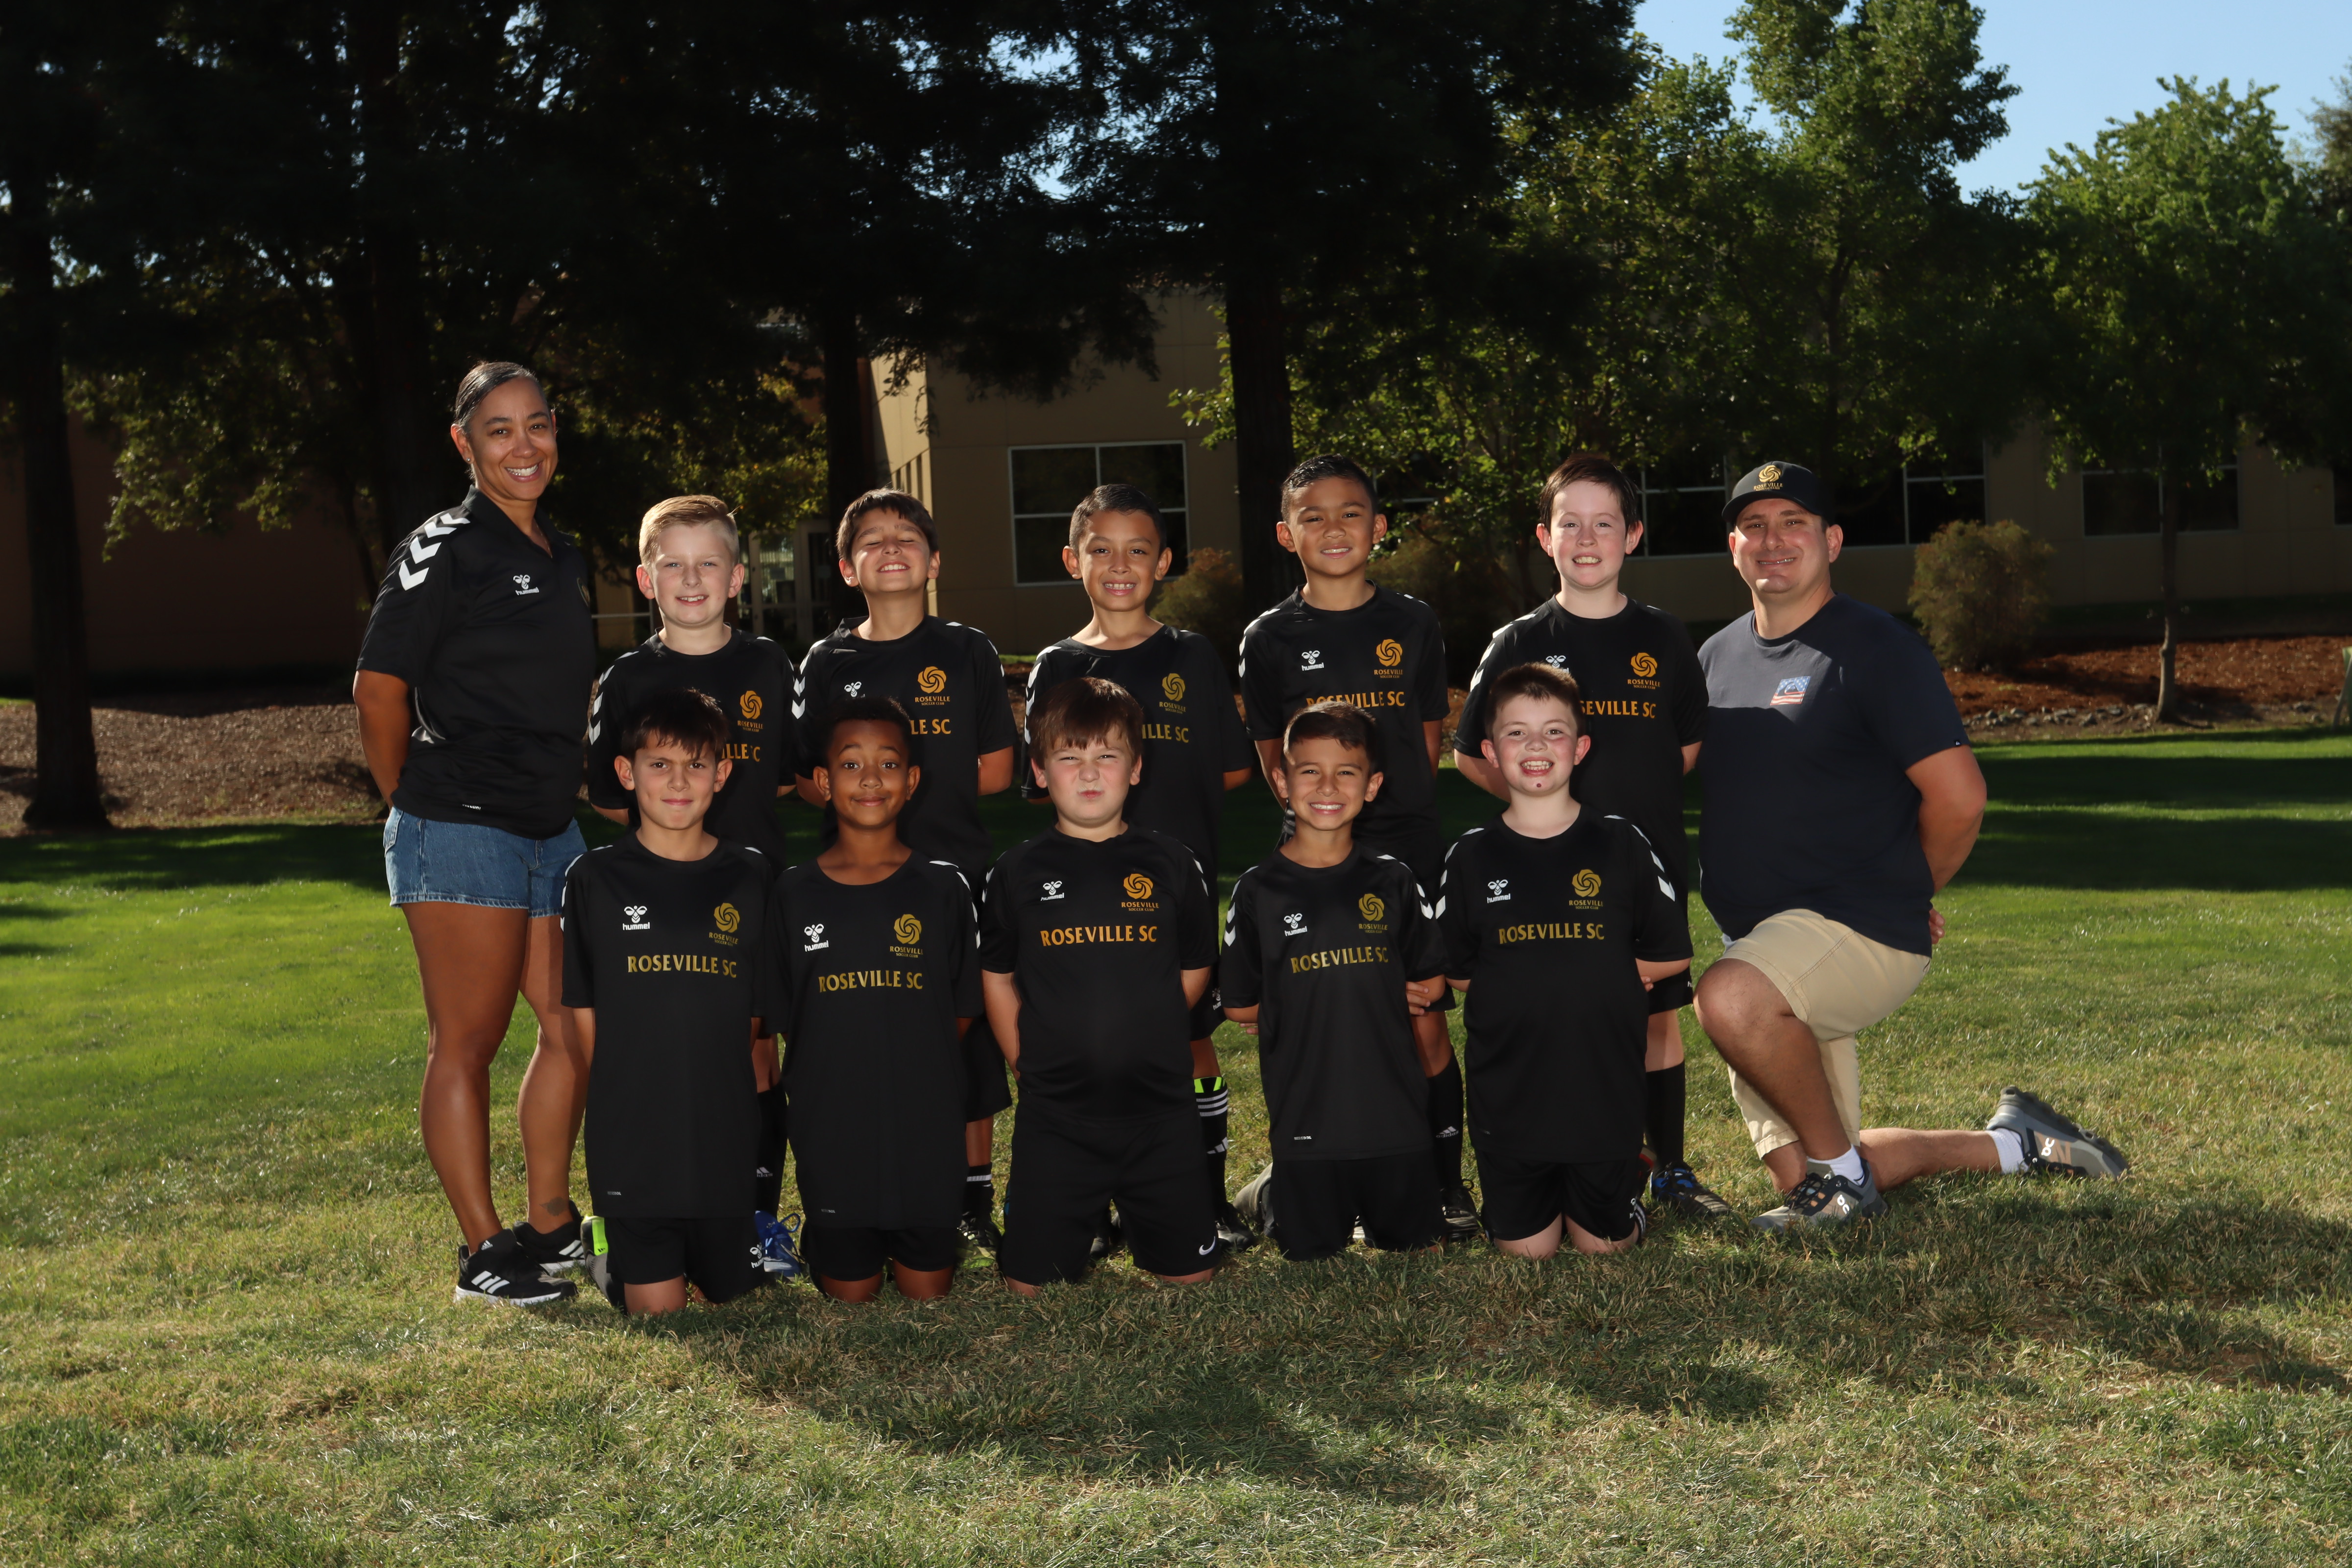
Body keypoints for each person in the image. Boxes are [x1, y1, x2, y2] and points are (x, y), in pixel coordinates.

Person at [1692, 461, 2128, 1232]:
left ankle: (1842, 1185)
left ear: (1832, 541)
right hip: (1762, 942)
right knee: (1809, 1172)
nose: (1773, 540)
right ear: (1733, 548)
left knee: (1729, 1001)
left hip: (1851, 929)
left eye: (1794, 523)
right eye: (1754, 526)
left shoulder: (1877, 649)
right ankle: (2016, 1144)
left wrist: (1907, 885)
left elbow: (1960, 799)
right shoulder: (1716, 657)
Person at [353, 361, 595, 1305]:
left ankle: (549, 1224)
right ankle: (484, 1252)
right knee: (468, 1040)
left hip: (550, 828)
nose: (524, 446)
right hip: (461, 822)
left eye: (538, 425)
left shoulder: (560, 553)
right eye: (500, 430)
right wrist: (409, 801)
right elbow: (379, 689)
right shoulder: (444, 545)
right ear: (465, 442)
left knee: (574, 1030)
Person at [1454, 454, 1730, 1221]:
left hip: (1642, 875)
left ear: (1632, 536)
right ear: (1545, 538)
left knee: (1654, 1019)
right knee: (1562, 1015)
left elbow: (1684, 749)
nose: (1586, 538)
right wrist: (1541, 811)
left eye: (1604, 523)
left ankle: (1669, 1170)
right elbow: (1472, 753)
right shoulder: (1518, 641)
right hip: (1546, 878)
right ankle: (1562, 1160)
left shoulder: (1664, 637)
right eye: (1569, 523)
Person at [1237, 455, 1471, 1241]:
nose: (1333, 529)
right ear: (1286, 534)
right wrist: (1322, 829)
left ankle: (1444, 1183)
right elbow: (1274, 760)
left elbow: (1425, 745)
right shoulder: (1270, 637)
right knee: (1322, 1021)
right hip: (1313, 862)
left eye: (1350, 513)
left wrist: (1384, 820)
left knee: (1421, 1020)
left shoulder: (1413, 624)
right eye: (1312, 516)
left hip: (1404, 849)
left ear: (1378, 527)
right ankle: (1312, 1166)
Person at [1024, 483, 1257, 1250]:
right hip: (1082, 901)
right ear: (1073, 561)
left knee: (1187, 1042)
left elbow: (1231, 769)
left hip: (1173, 898)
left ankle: (1205, 1197)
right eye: (1101, 549)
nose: (1120, 565)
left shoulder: (1192, 655)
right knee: (1090, 1042)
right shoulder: (1058, 664)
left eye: (1137, 550)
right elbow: (1042, 779)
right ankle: (1090, 1206)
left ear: (1164, 562)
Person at [793, 489, 1019, 1254]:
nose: (891, 547)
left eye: (907, 536)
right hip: (855, 886)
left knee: (965, 1040)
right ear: (846, 567)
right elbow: (805, 777)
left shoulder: (967, 650)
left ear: (935, 561)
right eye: (872, 539)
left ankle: (971, 1198)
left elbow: (996, 770)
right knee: (867, 1034)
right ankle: (861, 1183)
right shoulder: (829, 662)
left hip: (954, 877)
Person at [586, 495, 799, 1271]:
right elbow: (608, 795)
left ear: (738, 577)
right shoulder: (627, 677)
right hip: (663, 905)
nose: (691, 579)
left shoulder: (769, 665)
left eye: (709, 563)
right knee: (673, 1049)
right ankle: (651, 1204)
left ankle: (756, 1221)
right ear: (646, 580)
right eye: (672, 564)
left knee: (755, 1049)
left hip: (754, 893)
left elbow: (786, 778)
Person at [1438, 663, 1692, 1258]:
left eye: (1554, 732)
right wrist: (1529, 980)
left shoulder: (1620, 842)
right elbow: (1457, 966)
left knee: (1603, 1247)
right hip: (1510, 1097)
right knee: (1528, 1252)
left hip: (1601, 1093)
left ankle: (1628, 1176)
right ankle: (1536, 1196)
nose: (1536, 746)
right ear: (1490, 751)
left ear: (1580, 748)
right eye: (1517, 733)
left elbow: (1671, 952)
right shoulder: (1470, 856)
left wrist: (1599, 977)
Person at [980, 678, 1222, 1293]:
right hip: (1057, 1117)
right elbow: (997, 974)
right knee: (1029, 1289)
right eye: (1069, 757)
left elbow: (1196, 964)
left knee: (1191, 1279)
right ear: (1040, 771)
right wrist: (1022, 1056)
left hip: (1159, 1113)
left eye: (1107, 755)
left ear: (1136, 768)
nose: (1089, 773)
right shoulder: (1016, 871)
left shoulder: (1173, 864)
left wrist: (1153, 1018)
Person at [560, 687, 779, 1315]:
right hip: (633, 1136)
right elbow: (583, 1007)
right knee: (662, 1313)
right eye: (659, 764)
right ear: (626, 772)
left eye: (696, 764)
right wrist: (628, 1085)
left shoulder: (751, 875)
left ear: (722, 774)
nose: (678, 782)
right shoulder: (594, 878)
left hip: (721, 1129)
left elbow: (756, 1014)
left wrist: (708, 1073)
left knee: (730, 1297)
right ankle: (609, 1254)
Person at [1221, 703, 1449, 1261]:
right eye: (1309, 771)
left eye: (1346, 772)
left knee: (1418, 1251)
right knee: (1309, 1253)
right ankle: (1270, 1190)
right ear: (1282, 782)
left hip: (1397, 1125)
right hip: (1307, 1125)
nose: (1327, 786)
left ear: (1372, 786)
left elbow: (1431, 983)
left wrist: (1373, 985)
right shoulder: (1258, 891)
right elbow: (1240, 1006)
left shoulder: (1394, 880)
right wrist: (1329, 990)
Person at [777, 696, 981, 1302]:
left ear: (912, 781)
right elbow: (786, 1016)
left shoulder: (944, 888)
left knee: (928, 1295)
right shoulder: (792, 893)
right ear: (823, 782)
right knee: (851, 1298)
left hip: (925, 1133)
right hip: (833, 1134)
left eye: (888, 764)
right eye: (851, 764)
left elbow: (960, 1011)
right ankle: (827, 1233)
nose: (870, 779)